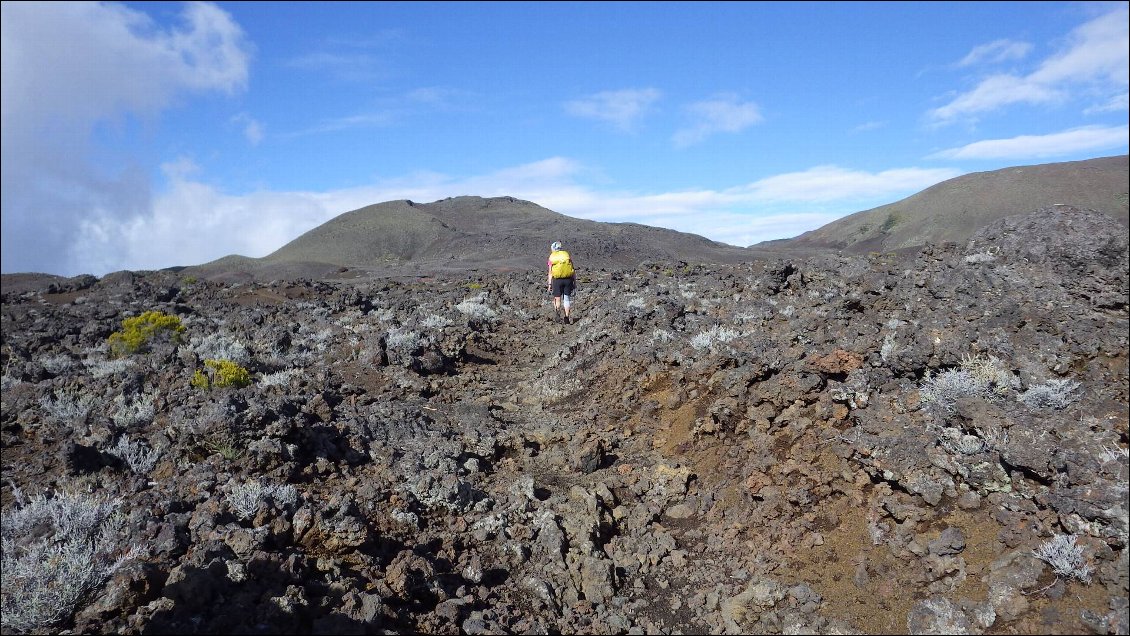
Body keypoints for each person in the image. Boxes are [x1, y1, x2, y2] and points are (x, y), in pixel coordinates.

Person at [546, 241, 576, 324]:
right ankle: (566, 317)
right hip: (568, 279)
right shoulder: (566, 256)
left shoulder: (552, 257)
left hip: (557, 280)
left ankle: (557, 314)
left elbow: (550, 272)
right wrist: (574, 282)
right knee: (566, 299)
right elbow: (573, 270)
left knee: (557, 299)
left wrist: (549, 284)